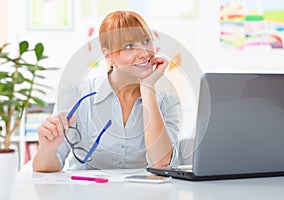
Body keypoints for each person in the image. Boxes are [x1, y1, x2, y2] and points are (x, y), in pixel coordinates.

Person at [33, 10, 181, 172]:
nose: (144, 53)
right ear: (108, 55)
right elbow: (46, 170)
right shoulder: (77, 95)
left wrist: (147, 89)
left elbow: (161, 163)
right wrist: (47, 149)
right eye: (129, 46)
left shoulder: (168, 100)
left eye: (146, 41)